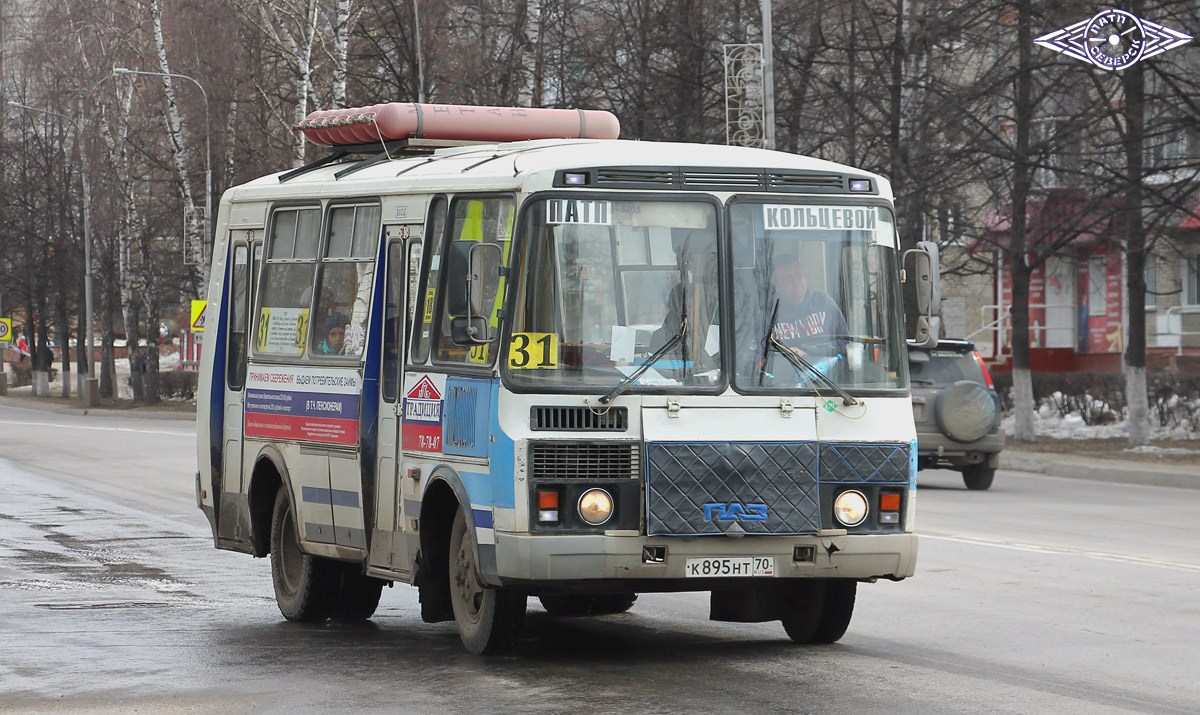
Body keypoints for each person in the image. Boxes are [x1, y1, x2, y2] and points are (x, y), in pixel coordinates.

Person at [768, 255, 849, 360]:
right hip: (784, 372)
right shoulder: (769, 313)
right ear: (776, 285)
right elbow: (761, 353)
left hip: (825, 374)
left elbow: (846, 342)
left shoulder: (824, 303)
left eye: (798, 275)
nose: (795, 281)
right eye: (787, 278)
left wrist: (809, 350)